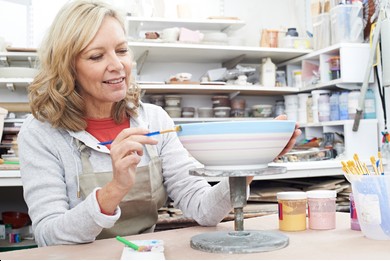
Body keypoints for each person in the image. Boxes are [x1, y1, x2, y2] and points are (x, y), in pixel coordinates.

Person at [18, 0, 301, 247]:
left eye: (122, 50)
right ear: (67, 67)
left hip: (144, 259)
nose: (117, 65)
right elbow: (48, 237)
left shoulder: (153, 119)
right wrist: (114, 189)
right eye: (96, 56)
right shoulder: (41, 132)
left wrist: (248, 165)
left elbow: (203, 209)